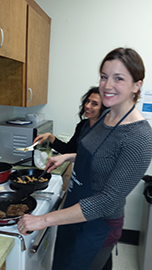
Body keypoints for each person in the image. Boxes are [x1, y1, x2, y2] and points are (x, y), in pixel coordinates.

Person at [17, 47, 152, 270]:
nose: (107, 86)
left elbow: (108, 200)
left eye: (118, 78)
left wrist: (45, 219)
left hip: (97, 224)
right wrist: (68, 157)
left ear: (136, 85)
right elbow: (100, 155)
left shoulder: (139, 137)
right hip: (72, 211)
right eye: (104, 76)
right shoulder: (106, 114)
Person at [33, 86, 107, 154]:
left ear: (104, 108)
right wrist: (49, 136)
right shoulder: (83, 125)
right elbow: (69, 150)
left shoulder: (106, 131)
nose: (87, 106)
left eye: (94, 104)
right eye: (88, 101)